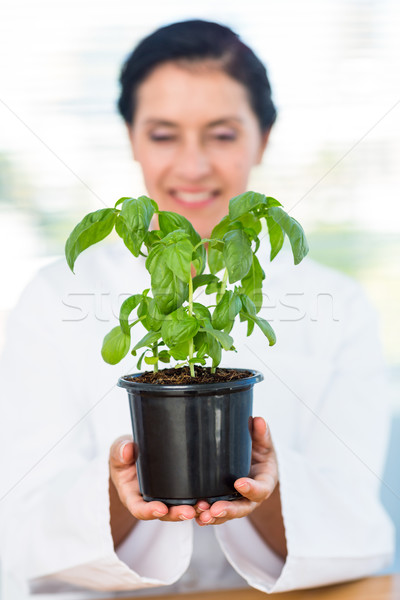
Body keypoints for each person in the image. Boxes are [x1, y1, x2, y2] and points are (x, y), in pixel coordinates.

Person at [0, 19, 394, 599]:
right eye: (163, 134)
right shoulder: (53, 295)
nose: (192, 166)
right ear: (131, 138)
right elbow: (26, 525)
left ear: (263, 137)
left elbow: (355, 519)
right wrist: (120, 488)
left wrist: (271, 486)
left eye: (222, 134)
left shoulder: (339, 301)